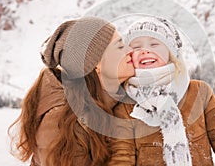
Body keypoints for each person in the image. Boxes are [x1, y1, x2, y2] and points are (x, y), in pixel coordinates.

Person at [109, 17, 215, 165]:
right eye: (136, 47)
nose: (145, 50)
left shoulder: (199, 93)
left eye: (154, 44)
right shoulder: (126, 105)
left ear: (170, 53)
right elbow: (122, 155)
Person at [8, 17, 134, 166]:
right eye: (119, 47)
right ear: (95, 65)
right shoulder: (62, 123)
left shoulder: (119, 100)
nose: (130, 50)